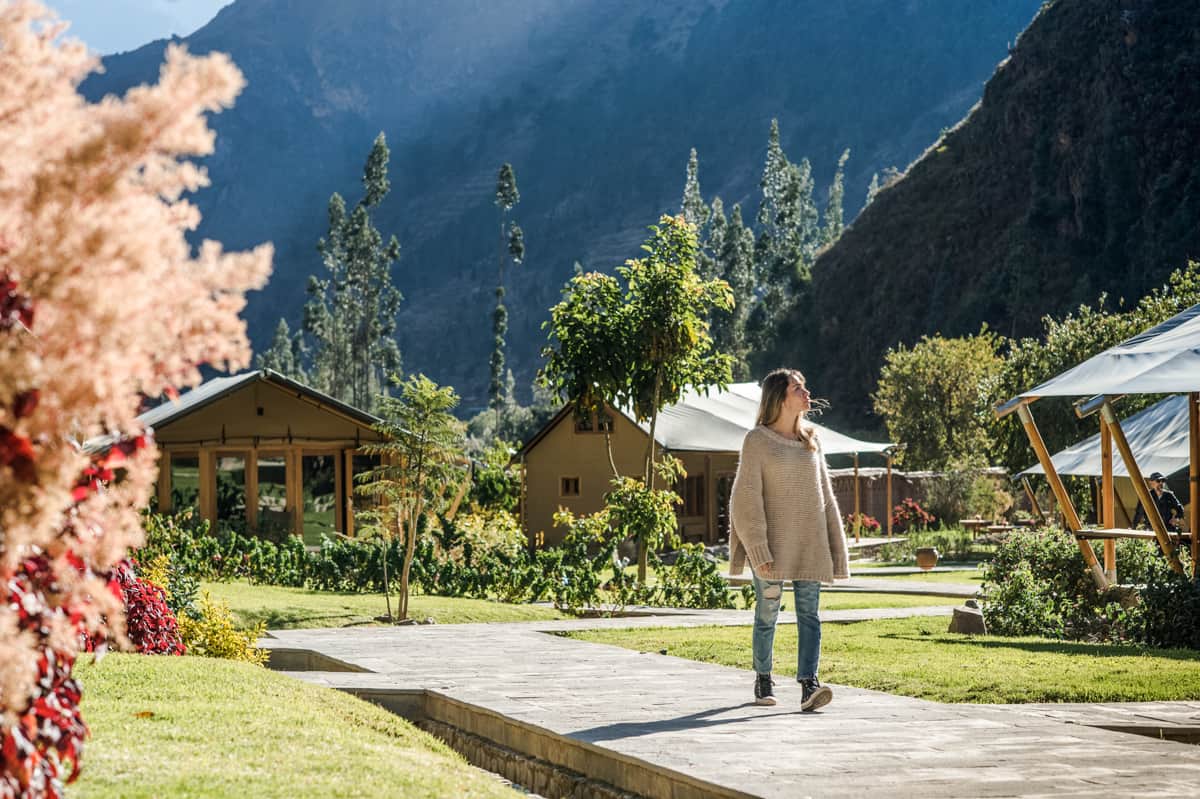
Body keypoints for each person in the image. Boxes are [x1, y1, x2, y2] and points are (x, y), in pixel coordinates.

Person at [728, 368, 850, 711]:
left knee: (809, 615)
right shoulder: (757, 441)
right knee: (767, 612)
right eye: (799, 388)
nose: (807, 392)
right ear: (781, 398)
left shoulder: (811, 439)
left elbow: (825, 497)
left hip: (809, 546)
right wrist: (756, 547)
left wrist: (835, 549)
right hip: (770, 547)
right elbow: (746, 497)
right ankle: (763, 678)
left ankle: (808, 684)